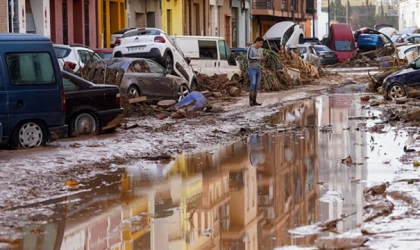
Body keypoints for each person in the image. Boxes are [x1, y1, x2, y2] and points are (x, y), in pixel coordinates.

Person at [247, 37, 264, 106]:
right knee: (253, 83)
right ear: (256, 42)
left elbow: (261, 59)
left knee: (256, 85)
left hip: (258, 69)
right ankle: (251, 100)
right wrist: (257, 58)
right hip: (252, 68)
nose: (261, 44)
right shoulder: (251, 48)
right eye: (260, 43)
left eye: (262, 43)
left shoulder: (261, 50)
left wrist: (262, 67)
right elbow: (248, 58)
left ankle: (254, 100)